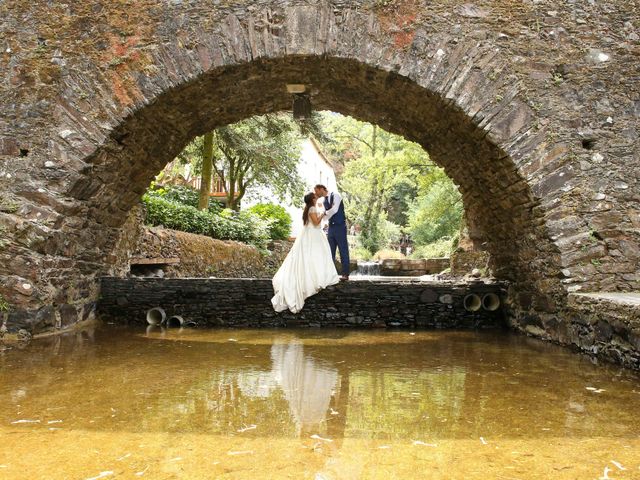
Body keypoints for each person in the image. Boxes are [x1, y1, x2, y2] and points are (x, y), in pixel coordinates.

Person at [271, 192, 340, 313]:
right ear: (312, 199)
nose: (316, 197)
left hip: (312, 234)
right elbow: (316, 223)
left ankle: (317, 274)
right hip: (313, 235)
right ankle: (316, 277)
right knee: (315, 256)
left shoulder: (310, 208)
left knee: (315, 256)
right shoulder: (312, 208)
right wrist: (323, 213)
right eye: (315, 196)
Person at [314, 184, 350, 281]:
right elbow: (325, 218)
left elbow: (335, 209)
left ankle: (345, 274)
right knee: (330, 252)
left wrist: (324, 213)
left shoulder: (336, 195)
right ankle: (331, 275)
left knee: (343, 251)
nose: (316, 193)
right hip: (331, 228)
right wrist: (324, 214)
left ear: (322, 189)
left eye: (317, 191)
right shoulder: (324, 201)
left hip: (340, 226)